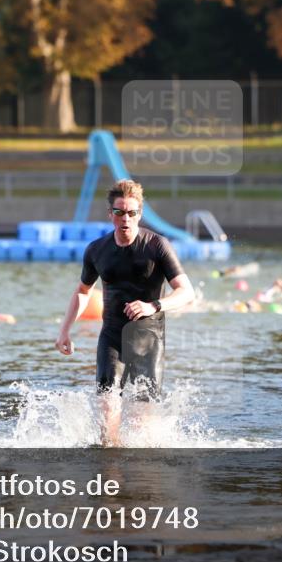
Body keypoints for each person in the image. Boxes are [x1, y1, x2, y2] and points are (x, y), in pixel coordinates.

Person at [55, 180, 195, 447]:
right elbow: (83, 291)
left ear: (139, 214)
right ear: (111, 214)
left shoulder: (157, 246)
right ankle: (111, 472)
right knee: (108, 413)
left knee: (143, 424)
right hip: (112, 337)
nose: (125, 218)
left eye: (132, 213)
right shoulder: (97, 250)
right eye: (119, 212)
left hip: (148, 340)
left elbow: (187, 292)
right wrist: (64, 330)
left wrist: (152, 306)